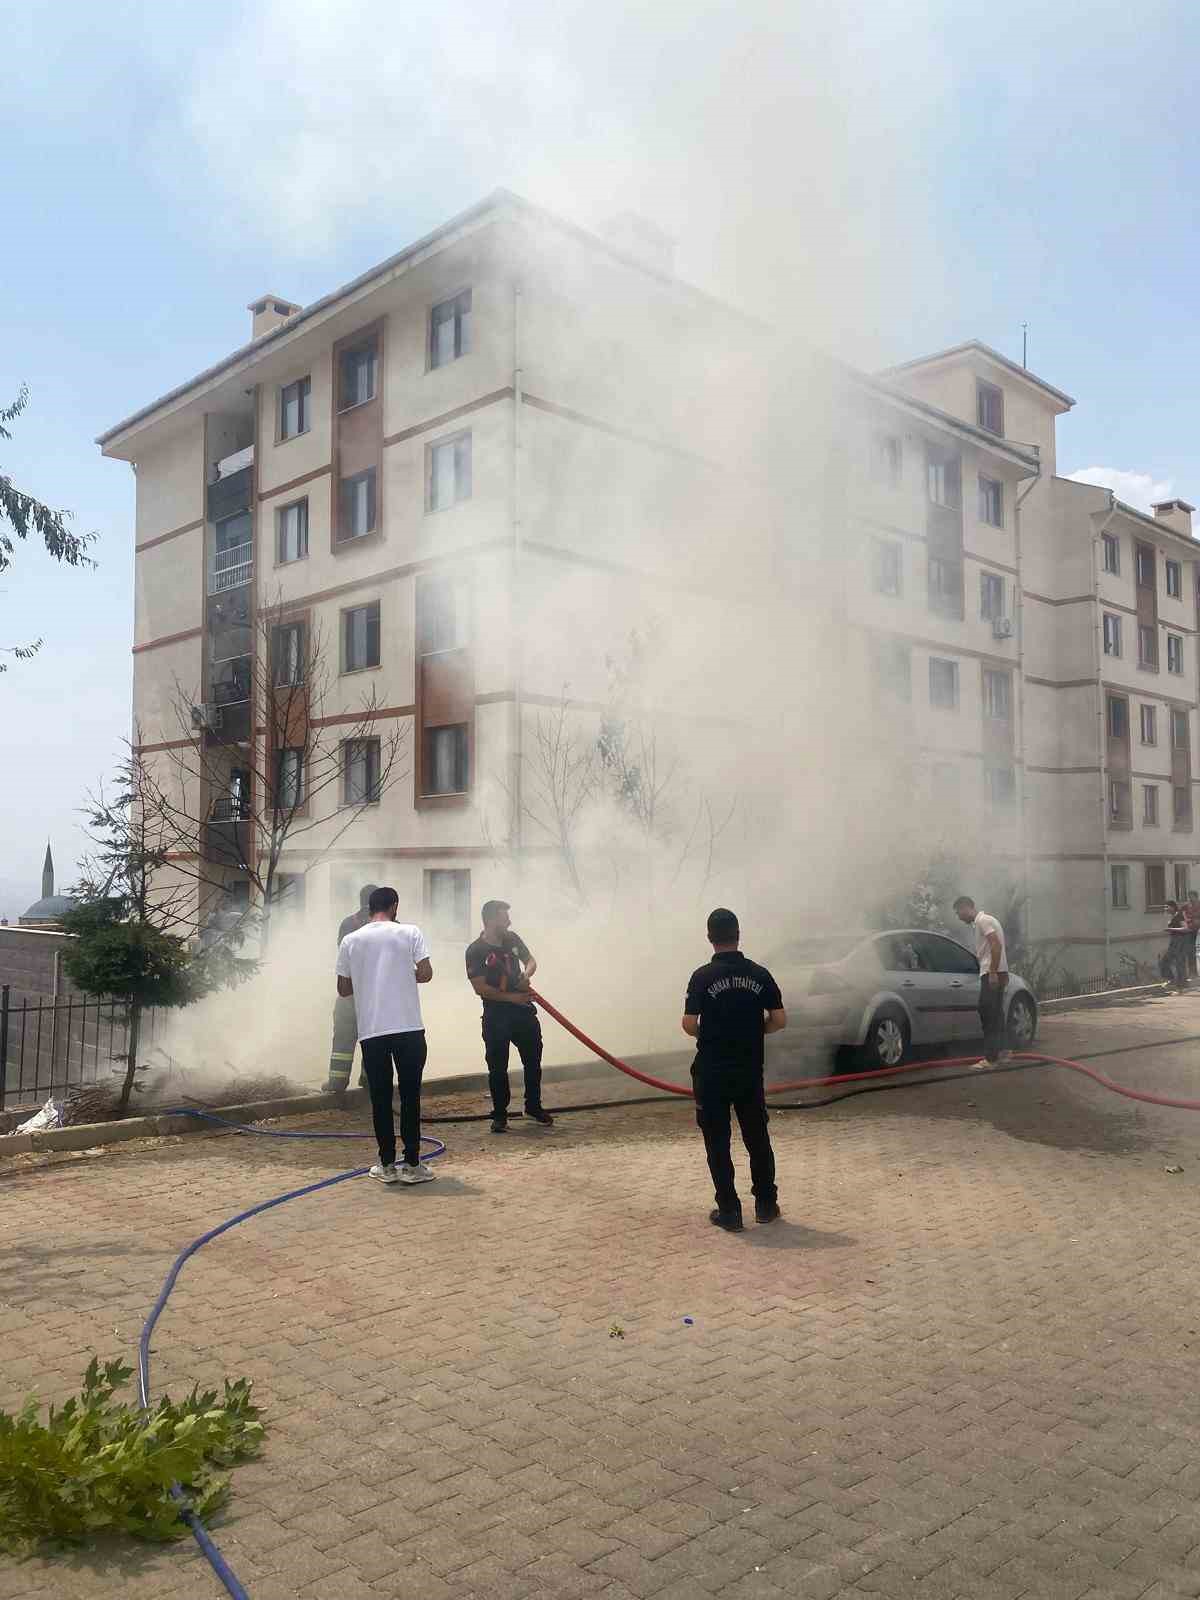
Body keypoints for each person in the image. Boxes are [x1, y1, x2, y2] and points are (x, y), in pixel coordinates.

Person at [682, 908, 787, 1233]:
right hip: (749, 1070)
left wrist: (714, 1035)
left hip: (712, 1072)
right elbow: (780, 1020)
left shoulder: (701, 977)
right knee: (757, 1136)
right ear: (738, 934)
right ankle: (766, 1205)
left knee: (717, 1141)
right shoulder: (759, 974)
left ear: (710, 937)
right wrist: (753, 1033)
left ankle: (729, 1210)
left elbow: (688, 1024)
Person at [335, 886, 436, 1186]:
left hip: (373, 1032)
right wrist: (404, 975)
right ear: (394, 906)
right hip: (408, 1029)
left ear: (369, 908)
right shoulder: (410, 932)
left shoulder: (350, 940)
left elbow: (343, 989)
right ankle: (414, 1165)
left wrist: (369, 978)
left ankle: (387, 1164)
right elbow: (426, 972)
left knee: (380, 1098)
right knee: (410, 1096)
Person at [465, 900, 554, 1134]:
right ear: (492, 920)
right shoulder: (476, 951)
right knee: (497, 1067)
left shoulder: (512, 939)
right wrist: (510, 998)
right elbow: (480, 988)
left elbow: (531, 961)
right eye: (505, 918)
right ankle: (500, 1115)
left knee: (533, 1060)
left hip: (523, 1012)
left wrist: (526, 973)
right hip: (496, 1016)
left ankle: (533, 1106)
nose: (509, 922)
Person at [325, 883, 379, 1095]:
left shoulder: (348, 924)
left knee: (343, 1040)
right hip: (376, 997)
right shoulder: (392, 926)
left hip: (349, 994)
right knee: (374, 1039)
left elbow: (343, 959)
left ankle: (337, 1083)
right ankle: (369, 1080)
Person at [953, 896, 1009, 1067]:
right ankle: (1003, 1052)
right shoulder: (989, 920)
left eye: (958, 913)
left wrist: (992, 972)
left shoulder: (982, 921)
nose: (959, 917)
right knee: (996, 1013)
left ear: (965, 908)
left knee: (987, 1013)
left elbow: (996, 945)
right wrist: (1002, 972)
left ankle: (991, 1058)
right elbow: (997, 946)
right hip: (997, 972)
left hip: (990, 973)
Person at [1164, 900, 1190, 993]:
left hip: (1180, 942)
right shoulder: (1174, 916)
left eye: (1167, 907)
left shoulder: (1178, 915)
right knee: (1165, 961)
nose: (1165, 909)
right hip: (1174, 941)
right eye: (1165, 907)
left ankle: (1180, 987)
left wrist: (1171, 929)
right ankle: (1172, 981)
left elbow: (1185, 928)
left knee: (1179, 964)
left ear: (1173, 907)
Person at [1185, 891, 1200, 979]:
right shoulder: (1188, 906)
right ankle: (1192, 972)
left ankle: (1195, 972)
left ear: (1196, 897)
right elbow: (1186, 916)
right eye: (1189, 897)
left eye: (1192, 896)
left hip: (1197, 930)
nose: (1190, 898)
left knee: (1195, 951)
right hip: (1190, 930)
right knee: (1190, 951)